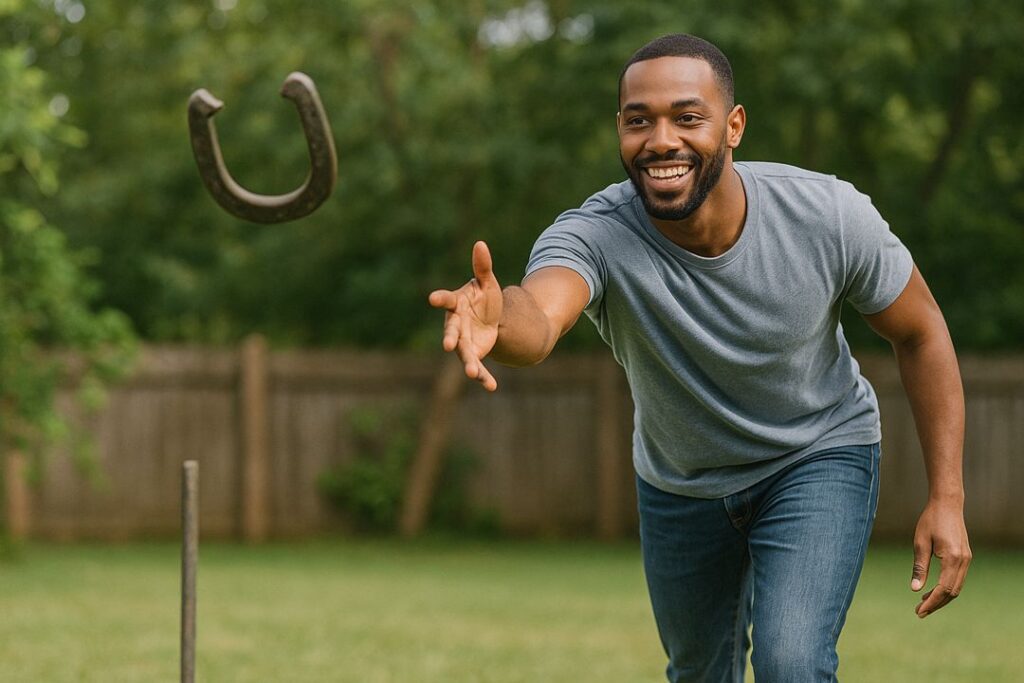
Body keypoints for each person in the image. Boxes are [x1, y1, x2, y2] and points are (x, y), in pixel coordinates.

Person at [428, 33, 971, 682]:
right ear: (620, 131)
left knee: (791, 662)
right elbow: (541, 316)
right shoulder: (596, 233)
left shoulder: (827, 216)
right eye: (639, 121)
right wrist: (499, 320)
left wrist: (947, 494)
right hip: (681, 481)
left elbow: (923, 331)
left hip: (815, 455)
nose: (661, 140)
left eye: (688, 117)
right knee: (698, 672)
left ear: (734, 125)